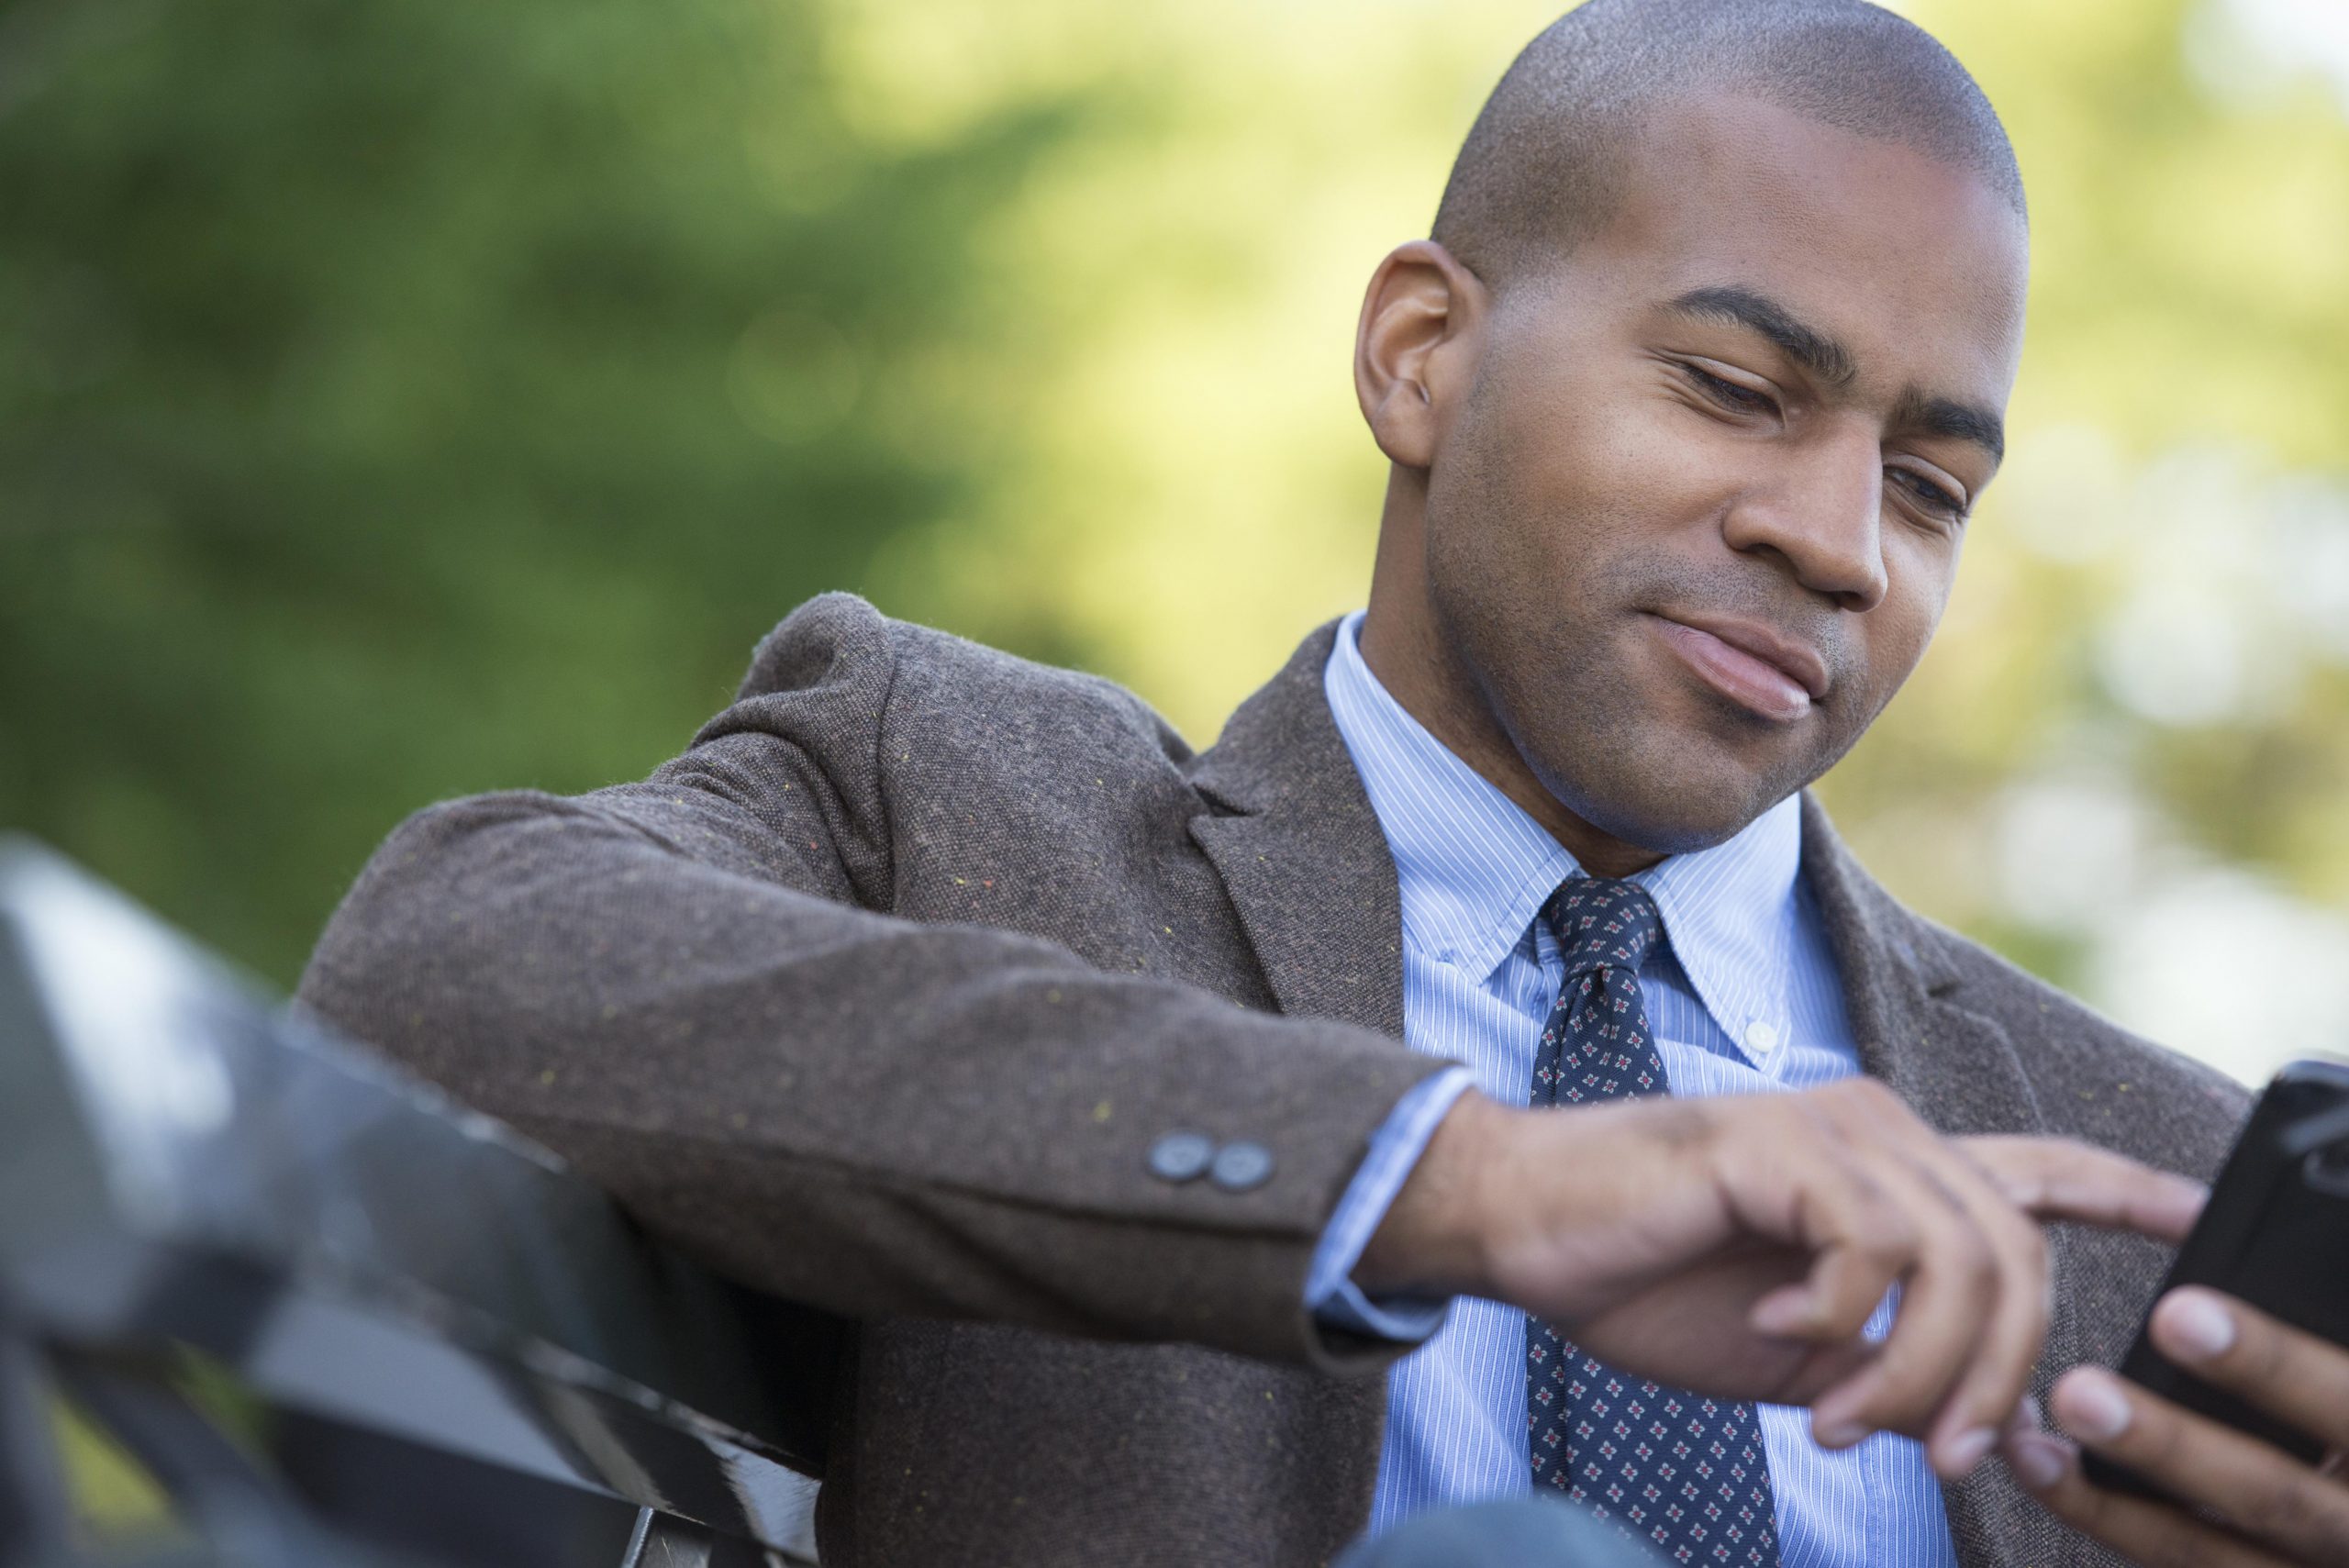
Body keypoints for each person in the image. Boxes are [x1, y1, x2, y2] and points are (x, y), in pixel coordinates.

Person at [298, 1, 2349, 1565]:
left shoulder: (2137, 1185)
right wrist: (1466, 1185)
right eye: (1732, 391)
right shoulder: (957, 800)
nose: (1834, 542)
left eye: (1927, 490)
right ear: (1418, 358)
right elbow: (443, 964)